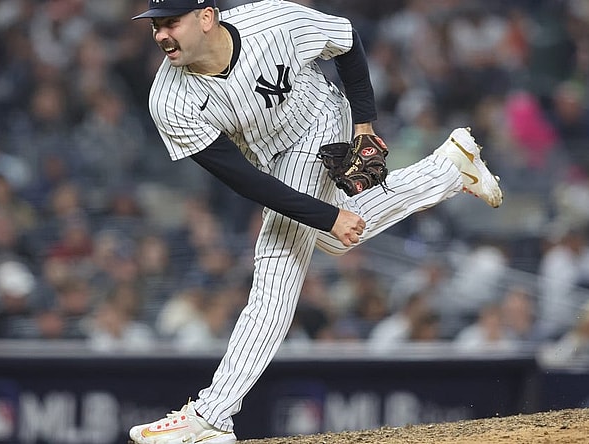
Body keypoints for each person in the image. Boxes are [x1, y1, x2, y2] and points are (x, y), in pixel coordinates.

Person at [128, 1, 503, 443]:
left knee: (276, 270)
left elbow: (346, 41)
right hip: (269, 163)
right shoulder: (168, 99)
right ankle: (447, 169)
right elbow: (243, 179)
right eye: (155, 25)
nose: (160, 35)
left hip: (320, 122)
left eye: (170, 22)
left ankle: (213, 416)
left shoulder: (272, 22)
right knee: (336, 240)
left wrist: (364, 123)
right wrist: (328, 217)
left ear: (206, 17)